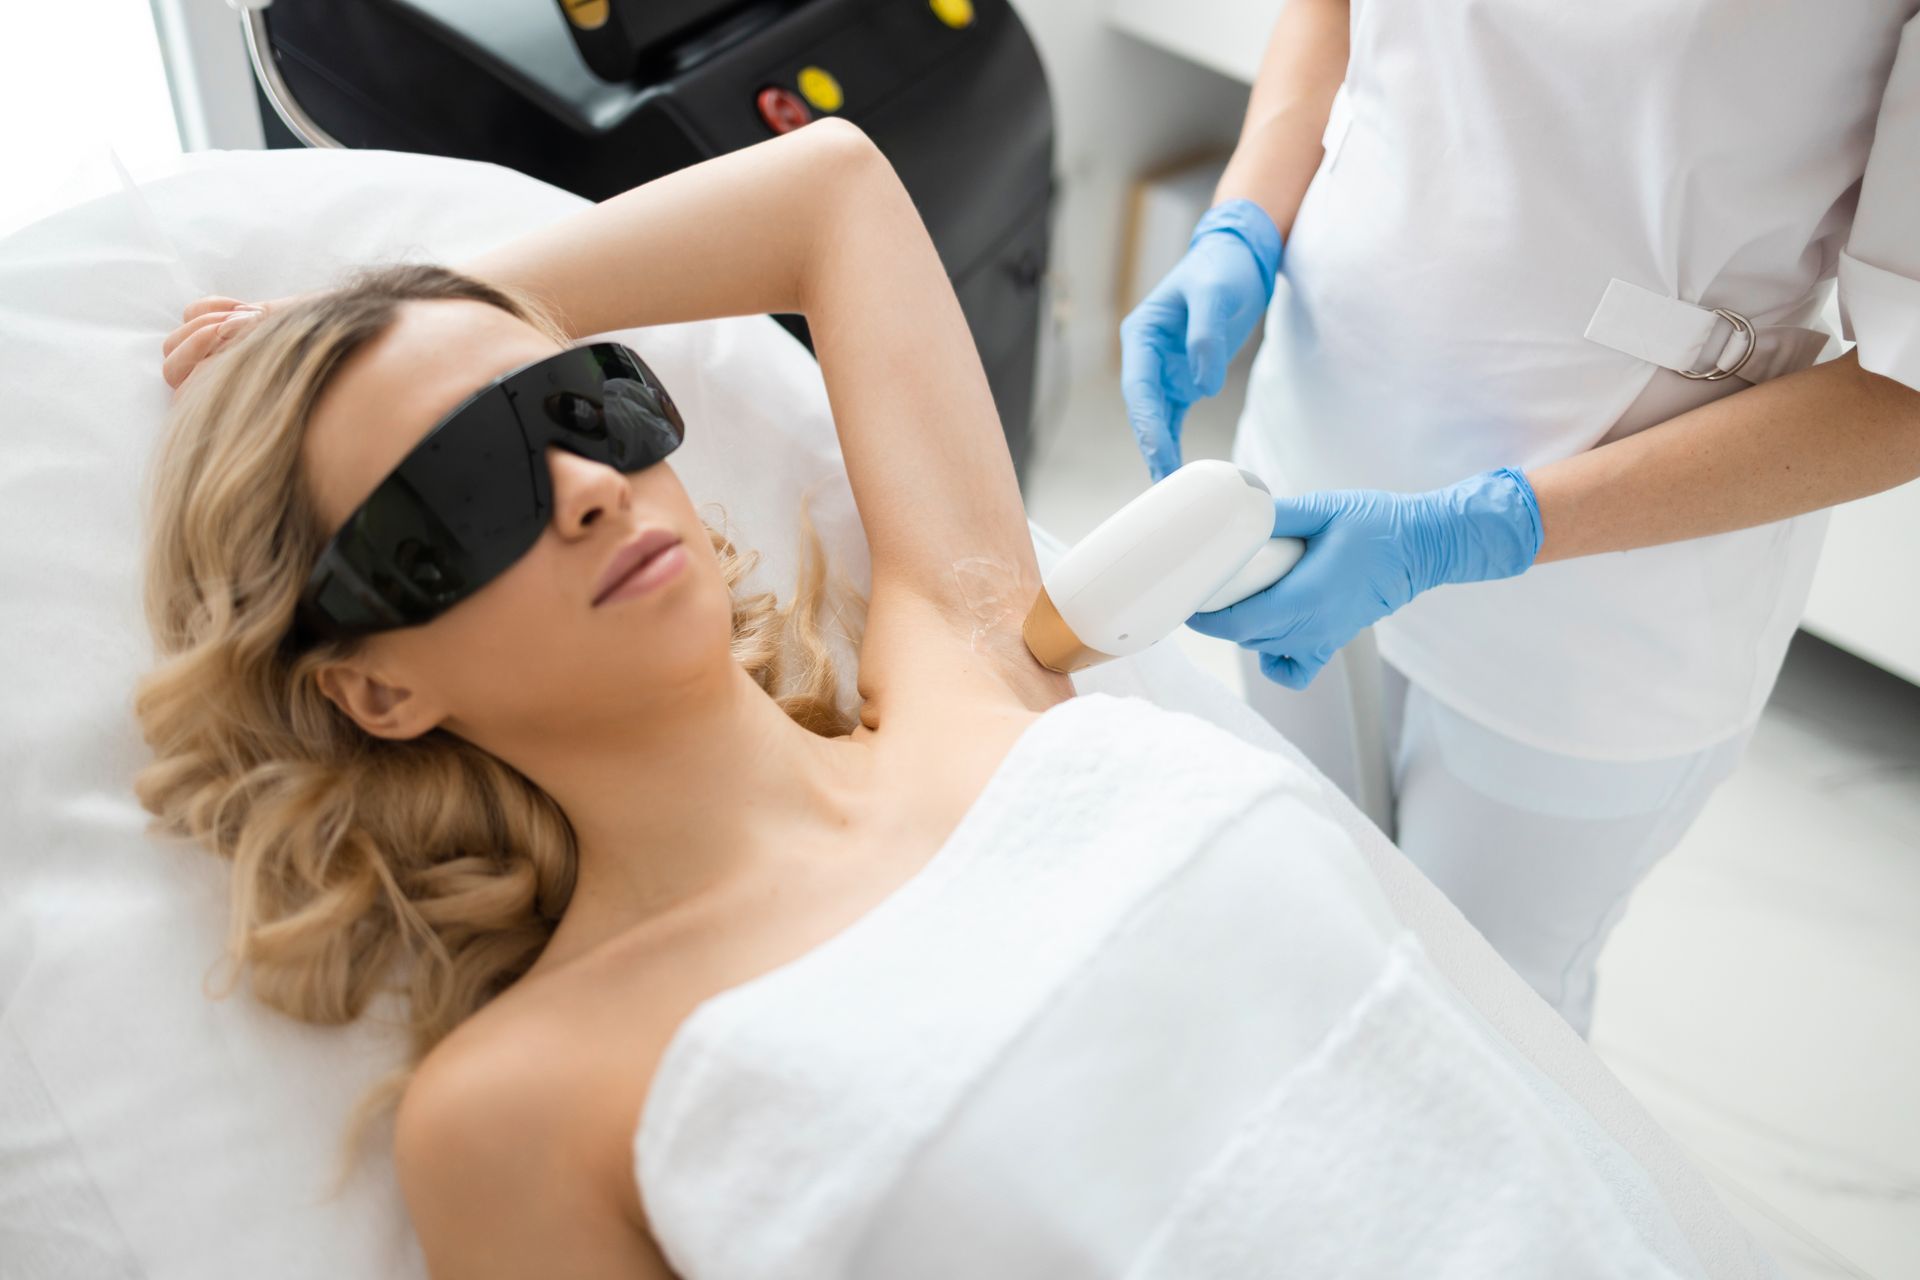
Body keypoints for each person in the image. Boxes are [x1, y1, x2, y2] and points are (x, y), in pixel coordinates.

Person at [141, 122, 1708, 1278]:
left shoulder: (969, 666)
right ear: (374, 685)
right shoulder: (523, 1106)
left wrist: (395, 310)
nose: (583, 491)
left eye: (579, 406)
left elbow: (833, 187)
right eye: (456, 497)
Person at [1121, 0, 1920, 1036]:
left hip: (1595, 599)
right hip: (1314, 444)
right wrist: (1245, 217)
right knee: (1299, 900)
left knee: (1478, 1029)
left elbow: (1905, 395)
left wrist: (1483, 528)